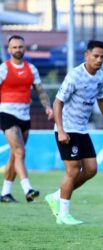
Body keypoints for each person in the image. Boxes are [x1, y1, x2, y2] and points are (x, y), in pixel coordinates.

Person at [45, 40, 103, 225]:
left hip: (82, 130)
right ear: (87, 55)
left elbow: (101, 101)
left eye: (102, 56)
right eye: (95, 56)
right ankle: (63, 214)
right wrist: (60, 130)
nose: (99, 59)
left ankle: (56, 196)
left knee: (92, 169)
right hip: (67, 129)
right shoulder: (75, 75)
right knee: (73, 170)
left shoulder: (101, 76)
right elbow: (57, 102)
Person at [0, 35, 53, 203]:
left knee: (14, 156)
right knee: (20, 152)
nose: (17, 50)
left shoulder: (31, 69)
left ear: (24, 48)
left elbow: (41, 91)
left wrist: (47, 107)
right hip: (7, 114)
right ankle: (28, 189)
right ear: (9, 50)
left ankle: (5, 193)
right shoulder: (4, 69)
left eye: (20, 47)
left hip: (24, 115)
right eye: (14, 47)